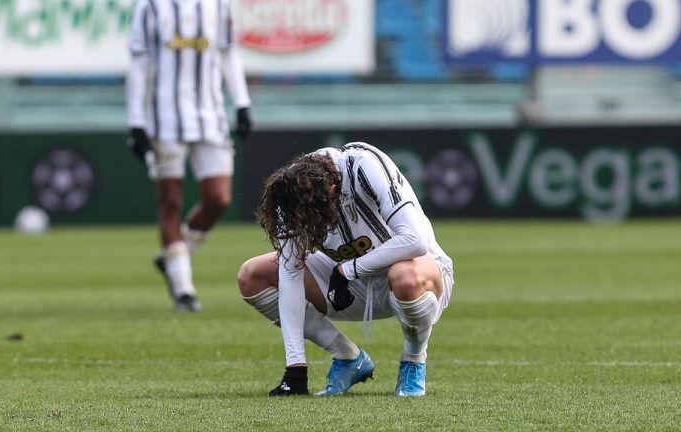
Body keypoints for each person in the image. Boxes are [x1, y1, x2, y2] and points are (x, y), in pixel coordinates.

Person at [237, 142, 454, 396]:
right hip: (344, 283)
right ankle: (348, 358)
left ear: (332, 190)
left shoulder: (365, 166)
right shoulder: (292, 191)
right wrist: (295, 369)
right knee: (252, 275)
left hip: (418, 276)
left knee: (403, 277)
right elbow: (290, 272)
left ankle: (414, 359)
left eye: (313, 216)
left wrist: (348, 270)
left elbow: (414, 240)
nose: (308, 224)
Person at [125, 0, 252, 312]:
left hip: (210, 118)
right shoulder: (151, 7)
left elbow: (227, 52)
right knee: (170, 200)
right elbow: (138, 64)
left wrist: (242, 103)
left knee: (218, 199)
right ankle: (183, 289)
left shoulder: (217, 5)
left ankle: (172, 257)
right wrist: (136, 122)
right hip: (164, 121)